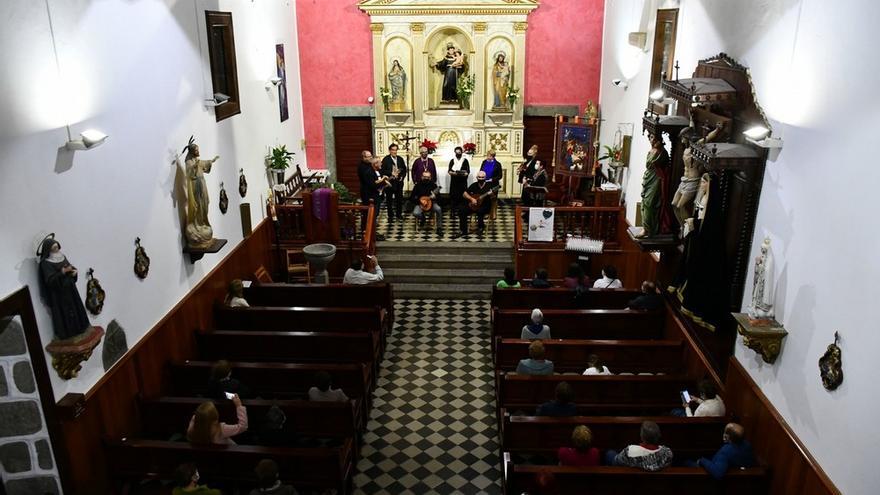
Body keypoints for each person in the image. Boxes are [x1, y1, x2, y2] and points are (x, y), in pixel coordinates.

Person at [37, 237, 90, 340]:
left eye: (57, 247)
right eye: (54, 248)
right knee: (64, 314)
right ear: (49, 249)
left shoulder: (62, 256)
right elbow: (49, 280)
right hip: (59, 295)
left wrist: (74, 272)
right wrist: (62, 273)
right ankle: (69, 333)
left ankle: (81, 327)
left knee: (76, 308)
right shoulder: (45, 263)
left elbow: (69, 267)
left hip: (70, 289)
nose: (57, 250)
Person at [182, 139, 221, 247]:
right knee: (198, 205)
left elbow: (203, 163)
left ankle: (203, 223)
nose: (198, 152)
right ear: (192, 151)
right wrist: (195, 166)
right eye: (196, 150)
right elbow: (189, 173)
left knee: (205, 202)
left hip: (202, 183)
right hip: (195, 186)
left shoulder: (196, 160)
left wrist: (211, 161)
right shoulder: (188, 162)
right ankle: (197, 224)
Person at [687, 423, 756, 479]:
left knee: (686, 462)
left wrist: (701, 460)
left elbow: (718, 474)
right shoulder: (747, 444)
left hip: (716, 475)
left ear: (726, 437)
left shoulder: (726, 451)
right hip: (742, 474)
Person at [637, 133, 673, 238]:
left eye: (654, 138)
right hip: (648, 177)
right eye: (651, 137)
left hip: (656, 179)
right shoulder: (652, 150)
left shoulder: (662, 152)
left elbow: (655, 164)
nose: (651, 140)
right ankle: (645, 227)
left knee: (650, 203)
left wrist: (659, 149)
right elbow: (648, 165)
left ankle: (650, 229)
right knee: (644, 203)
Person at [605, 420, 674, 471]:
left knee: (609, 453)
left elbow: (617, 462)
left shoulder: (630, 451)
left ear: (642, 437)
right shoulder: (667, 452)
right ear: (659, 435)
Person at [453, 171, 495, 238]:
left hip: (485, 206)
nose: (481, 179)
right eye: (479, 177)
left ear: (485, 178)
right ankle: (463, 230)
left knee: (480, 211)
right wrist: (471, 199)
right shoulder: (474, 185)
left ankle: (481, 228)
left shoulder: (489, 186)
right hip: (474, 205)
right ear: (477, 177)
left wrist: (491, 194)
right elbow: (464, 194)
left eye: (482, 177)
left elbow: (493, 198)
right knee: (462, 210)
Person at [410, 170, 444, 236]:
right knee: (415, 213)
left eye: (428, 177)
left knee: (438, 209)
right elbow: (411, 198)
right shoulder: (417, 185)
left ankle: (439, 228)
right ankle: (423, 218)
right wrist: (420, 201)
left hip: (431, 204)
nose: (426, 178)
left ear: (430, 177)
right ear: (422, 177)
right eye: (424, 176)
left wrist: (435, 197)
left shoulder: (433, 185)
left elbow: (440, 198)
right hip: (420, 204)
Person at [381, 144, 408, 222]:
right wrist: (391, 173)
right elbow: (382, 170)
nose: (394, 151)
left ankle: (399, 214)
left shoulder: (400, 159)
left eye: (396, 150)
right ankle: (390, 216)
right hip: (389, 183)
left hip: (399, 183)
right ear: (390, 150)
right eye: (393, 150)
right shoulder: (386, 159)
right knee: (389, 200)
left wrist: (402, 177)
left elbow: (404, 169)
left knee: (399, 200)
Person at [448, 146, 470, 219]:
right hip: (454, 182)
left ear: (461, 152)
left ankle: (462, 212)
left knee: (463, 196)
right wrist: (454, 173)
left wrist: (464, 173)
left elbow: (468, 171)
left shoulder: (465, 160)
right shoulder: (452, 160)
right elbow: (449, 171)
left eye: (459, 152)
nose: (458, 153)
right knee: (453, 197)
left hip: (462, 182)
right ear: (455, 153)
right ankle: (453, 212)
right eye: (457, 152)